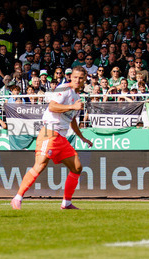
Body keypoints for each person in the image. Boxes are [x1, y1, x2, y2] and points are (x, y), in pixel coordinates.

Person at [11, 66, 93, 210]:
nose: (77, 80)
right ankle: (17, 198)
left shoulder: (76, 96)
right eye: (75, 77)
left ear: (84, 79)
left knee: (77, 167)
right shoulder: (64, 89)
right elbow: (52, 107)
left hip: (61, 137)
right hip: (50, 132)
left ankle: (66, 203)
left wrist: (82, 137)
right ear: (71, 77)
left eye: (80, 78)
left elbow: (72, 121)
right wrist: (73, 107)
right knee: (40, 165)